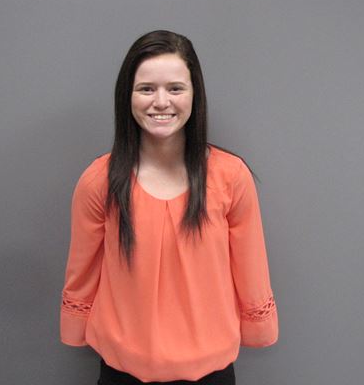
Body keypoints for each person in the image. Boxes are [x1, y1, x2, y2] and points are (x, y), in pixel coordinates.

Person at [60, 29, 279, 384]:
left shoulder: (231, 177)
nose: (161, 102)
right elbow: (82, 270)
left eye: (175, 88)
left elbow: (251, 268)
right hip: (121, 372)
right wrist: (75, 322)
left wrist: (258, 324)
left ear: (195, 94)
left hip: (211, 372)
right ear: (127, 96)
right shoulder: (99, 181)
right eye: (146, 89)